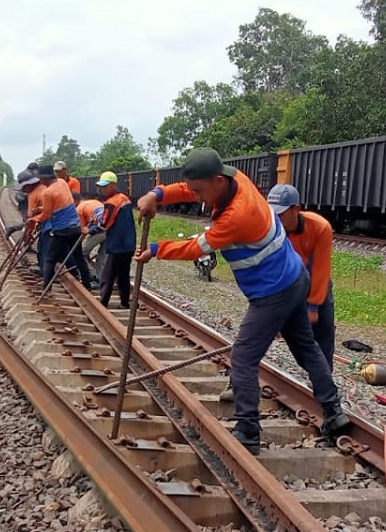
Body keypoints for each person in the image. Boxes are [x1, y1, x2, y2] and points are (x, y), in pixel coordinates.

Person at [133, 148, 348, 452]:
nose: (197, 197)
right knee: (306, 349)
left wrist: (154, 250)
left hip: (274, 292)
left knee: (244, 359)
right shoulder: (232, 180)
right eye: (194, 190)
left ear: (218, 181)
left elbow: (196, 248)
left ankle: (248, 431)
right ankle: (334, 411)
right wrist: (157, 193)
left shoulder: (238, 214)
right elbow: (188, 188)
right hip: (295, 277)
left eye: (200, 191)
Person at [267, 184, 336, 369]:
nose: (275, 218)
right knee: (282, 333)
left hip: (314, 283)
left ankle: (324, 378)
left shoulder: (320, 227)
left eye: (280, 213)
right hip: (287, 284)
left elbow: (321, 270)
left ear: (296, 209)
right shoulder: (270, 227)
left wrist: (313, 308)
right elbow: (270, 269)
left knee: (323, 331)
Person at [31, 163, 92, 289]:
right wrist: (40, 209)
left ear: (46, 178)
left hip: (61, 231)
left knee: (49, 259)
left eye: (41, 179)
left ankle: (46, 287)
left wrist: (35, 219)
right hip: (75, 228)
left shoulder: (47, 192)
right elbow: (58, 204)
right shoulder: (62, 183)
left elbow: (46, 216)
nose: (41, 182)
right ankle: (87, 285)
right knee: (79, 257)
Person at [91, 172, 136, 308]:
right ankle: (124, 303)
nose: (103, 189)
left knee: (108, 275)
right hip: (128, 244)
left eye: (105, 186)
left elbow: (105, 224)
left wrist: (90, 230)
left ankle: (103, 302)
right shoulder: (124, 198)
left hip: (117, 244)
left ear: (114, 185)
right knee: (123, 275)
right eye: (101, 187)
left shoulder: (112, 202)